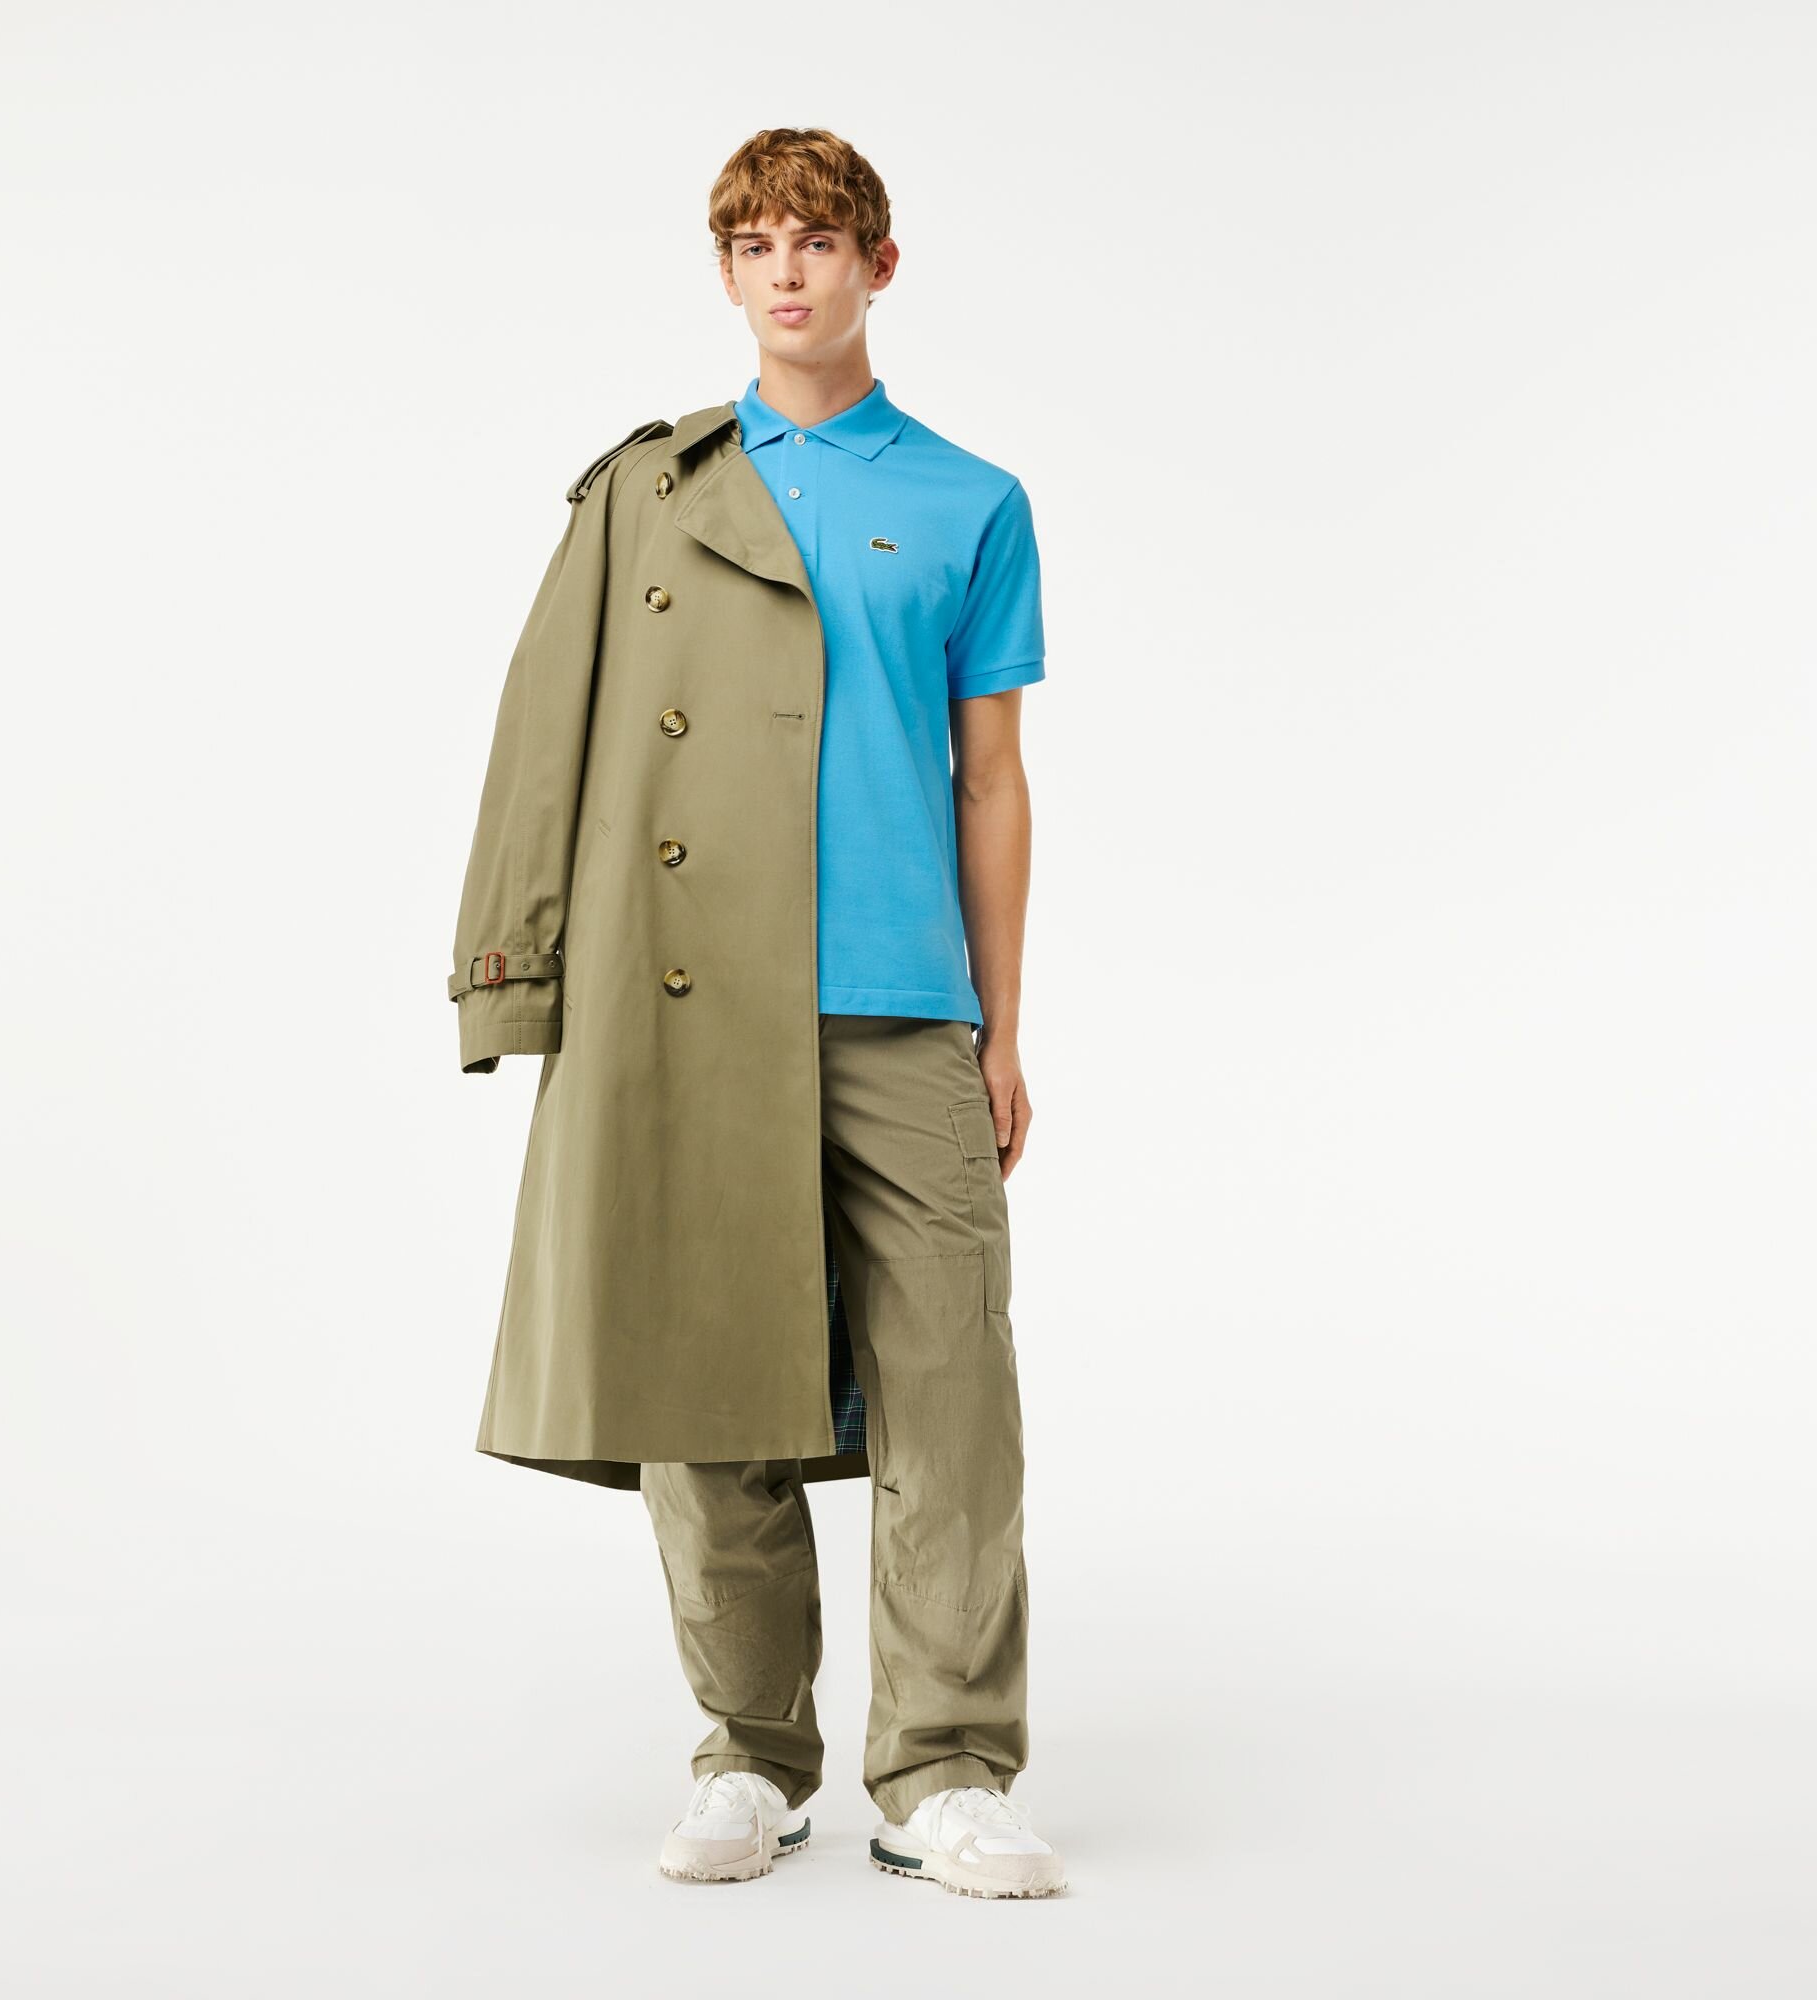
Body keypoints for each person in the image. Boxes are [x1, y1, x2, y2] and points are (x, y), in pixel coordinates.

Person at [446, 126, 1062, 1899]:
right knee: (704, 1380)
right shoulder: (651, 490)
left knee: (954, 1389)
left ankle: (945, 1767)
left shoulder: (972, 498)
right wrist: (518, 974)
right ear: (727, 273)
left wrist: (1003, 1027)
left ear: (879, 263)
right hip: (684, 997)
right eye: (754, 243)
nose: (786, 270)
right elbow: (543, 735)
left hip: (902, 1004)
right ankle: (748, 1751)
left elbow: (992, 780)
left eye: (818, 239)